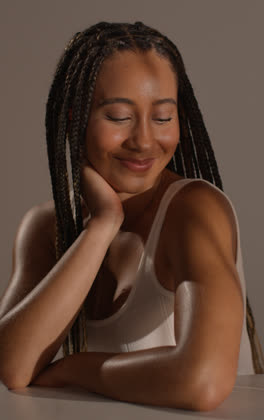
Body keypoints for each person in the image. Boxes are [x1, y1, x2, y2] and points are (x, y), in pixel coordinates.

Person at [0, 21, 263, 410]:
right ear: (75, 118)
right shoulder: (44, 228)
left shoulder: (194, 210)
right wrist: (103, 225)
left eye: (162, 118)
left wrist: (74, 369)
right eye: (120, 117)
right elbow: (13, 366)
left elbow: (203, 383)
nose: (143, 141)